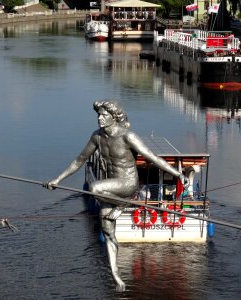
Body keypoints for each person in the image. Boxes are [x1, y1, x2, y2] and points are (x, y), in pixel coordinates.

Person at [44, 100, 188, 292]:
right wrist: (58, 179)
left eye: (104, 115)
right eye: (98, 115)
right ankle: (116, 275)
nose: (99, 119)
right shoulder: (97, 137)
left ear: (114, 117)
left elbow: (152, 158)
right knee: (108, 231)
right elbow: (79, 160)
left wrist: (177, 173)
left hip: (127, 185)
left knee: (94, 188)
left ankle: (123, 205)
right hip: (111, 189)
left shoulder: (128, 136)